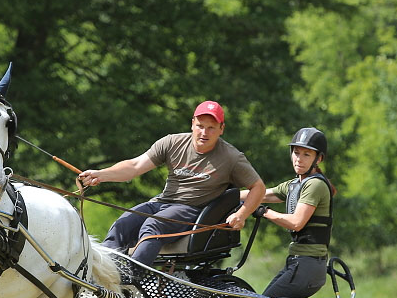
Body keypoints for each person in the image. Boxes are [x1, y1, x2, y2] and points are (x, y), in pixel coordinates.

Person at [78, 101, 265, 267]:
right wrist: (101, 174)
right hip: (161, 203)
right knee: (123, 224)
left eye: (211, 128)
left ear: (221, 129)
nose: (204, 132)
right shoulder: (172, 142)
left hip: (191, 210)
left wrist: (242, 214)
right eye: (200, 126)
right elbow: (135, 166)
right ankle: (100, 275)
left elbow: (258, 187)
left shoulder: (232, 157)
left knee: (152, 226)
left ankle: (130, 278)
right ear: (192, 123)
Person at [245, 127, 335, 298]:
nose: (299, 159)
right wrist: (226, 195)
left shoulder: (315, 185)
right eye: (296, 153)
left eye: (306, 154)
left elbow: (296, 223)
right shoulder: (295, 184)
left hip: (308, 265)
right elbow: (262, 194)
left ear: (319, 158)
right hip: (297, 261)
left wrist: (265, 212)